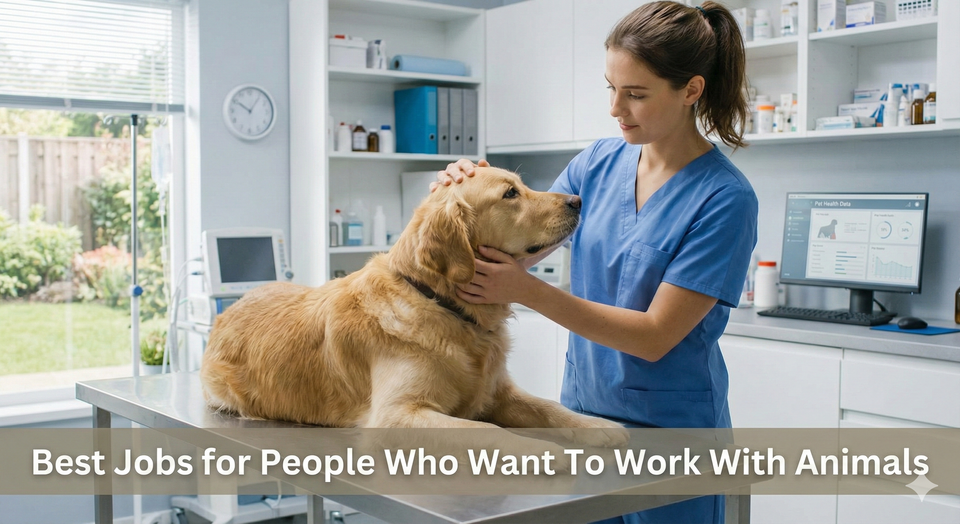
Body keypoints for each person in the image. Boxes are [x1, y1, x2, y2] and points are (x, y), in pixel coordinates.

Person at [434, 2, 757, 523]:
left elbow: (655, 335)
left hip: (671, 439)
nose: (615, 108)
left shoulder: (724, 199)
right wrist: (474, 193)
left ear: (691, 90)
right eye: (611, 87)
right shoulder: (597, 163)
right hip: (581, 420)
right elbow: (520, 243)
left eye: (635, 94)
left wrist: (526, 291)